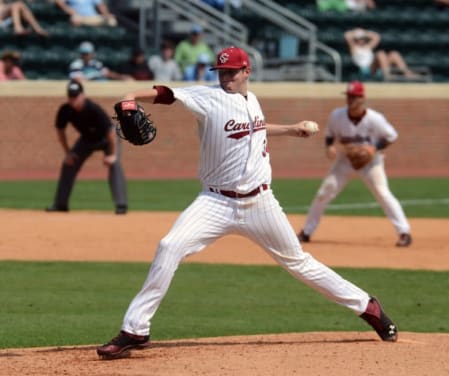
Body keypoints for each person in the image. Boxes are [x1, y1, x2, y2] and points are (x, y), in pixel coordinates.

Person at [96, 46, 398, 360]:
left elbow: (254, 129)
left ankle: (367, 306)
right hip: (214, 201)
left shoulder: (252, 100)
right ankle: (136, 329)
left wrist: (292, 129)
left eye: (231, 71)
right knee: (169, 246)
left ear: (246, 71)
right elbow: (167, 93)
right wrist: (131, 94)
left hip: (260, 203)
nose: (225, 77)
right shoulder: (208, 98)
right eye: (221, 72)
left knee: (299, 263)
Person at [297, 81, 412, 248]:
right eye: (349, 96)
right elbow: (330, 135)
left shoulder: (374, 118)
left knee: (382, 192)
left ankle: (404, 232)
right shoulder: (337, 115)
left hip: (371, 162)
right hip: (345, 160)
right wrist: (329, 147)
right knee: (324, 192)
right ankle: (306, 232)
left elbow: (391, 136)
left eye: (354, 97)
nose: (350, 99)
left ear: (362, 98)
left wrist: (374, 148)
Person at [46, 80, 128, 214]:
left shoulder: (93, 109)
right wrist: (68, 153)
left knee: (115, 165)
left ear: (82, 95)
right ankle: (60, 204)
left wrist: (112, 155)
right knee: (68, 164)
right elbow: (60, 132)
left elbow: (111, 132)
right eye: (71, 96)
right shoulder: (65, 110)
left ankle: (121, 205)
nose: (73, 99)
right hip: (87, 139)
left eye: (76, 96)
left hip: (107, 139)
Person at [344, 28, 419, 81]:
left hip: (377, 66)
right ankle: (388, 75)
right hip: (366, 70)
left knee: (394, 54)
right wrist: (356, 32)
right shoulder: (354, 48)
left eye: (363, 38)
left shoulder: (367, 47)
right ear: (356, 40)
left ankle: (407, 73)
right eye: (359, 39)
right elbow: (347, 36)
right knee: (380, 54)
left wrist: (364, 32)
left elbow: (377, 37)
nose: (361, 40)